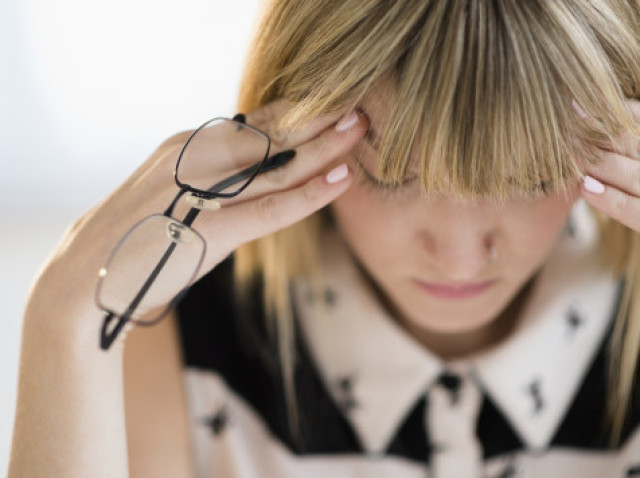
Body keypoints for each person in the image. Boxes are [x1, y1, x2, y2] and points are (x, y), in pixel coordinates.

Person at [8, 0, 640, 476]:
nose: (456, 255)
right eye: (391, 178)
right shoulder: (177, 340)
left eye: (531, 179)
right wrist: (63, 322)